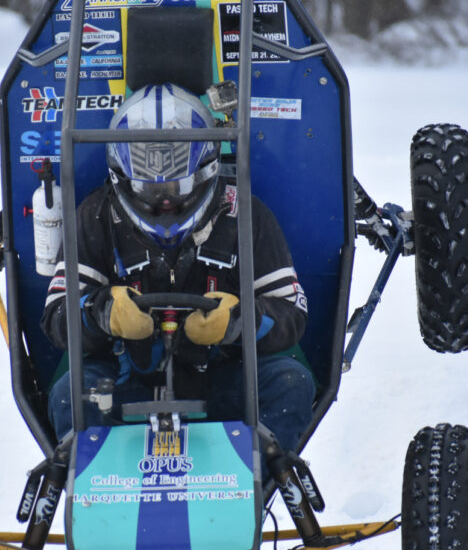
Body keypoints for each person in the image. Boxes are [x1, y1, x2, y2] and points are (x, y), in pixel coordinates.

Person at [40, 83, 315, 456]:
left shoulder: (245, 214)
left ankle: (253, 488)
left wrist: (237, 321)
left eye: (175, 180)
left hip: (223, 377)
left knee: (289, 382)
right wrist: (102, 312)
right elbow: (57, 316)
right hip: (124, 378)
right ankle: (98, 502)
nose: (164, 196)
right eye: (150, 183)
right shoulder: (96, 215)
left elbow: (292, 314)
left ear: (205, 166)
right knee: (70, 394)